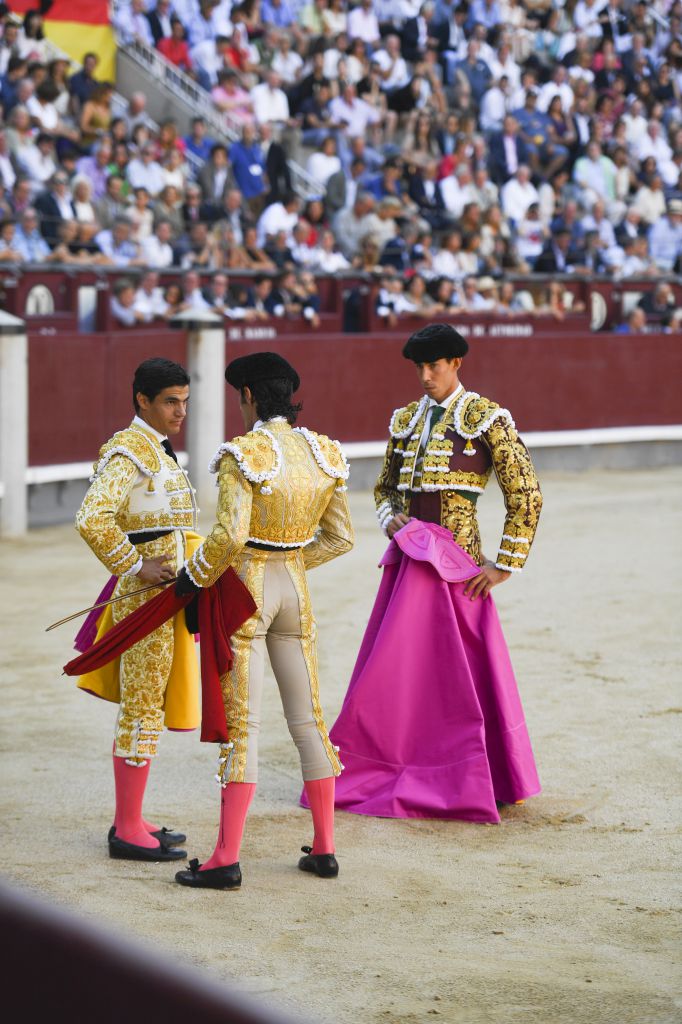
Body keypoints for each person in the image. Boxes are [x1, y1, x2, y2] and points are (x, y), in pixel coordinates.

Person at [328, 323, 542, 823]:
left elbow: (525, 492)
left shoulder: (486, 418)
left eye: (435, 366)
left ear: (456, 365)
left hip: (460, 569)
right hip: (408, 565)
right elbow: (383, 490)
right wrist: (390, 518)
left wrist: (504, 565)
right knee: (403, 672)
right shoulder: (405, 420)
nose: (425, 376)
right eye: (419, 368)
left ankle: (482, 776)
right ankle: (407, 764)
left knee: (461, 678)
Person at [173, 352, 354, 890]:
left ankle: (225, 857)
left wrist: (194, 578)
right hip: (294, 589)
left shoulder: (242, 454)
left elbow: (228, 536)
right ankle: (324, 848)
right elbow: (341, 538)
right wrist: (292, 560)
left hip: (248, 590)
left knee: (244, 726)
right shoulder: (324, 452)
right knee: (308, 718)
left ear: (248, 395)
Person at [75, 358, 201, 862]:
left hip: (164, 596)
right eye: (171, 401)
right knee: (143, 703)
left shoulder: (156, 450)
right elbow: (92, 517)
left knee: (149, 699)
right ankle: (126, 827)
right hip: (144, 598)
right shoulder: (131, 452)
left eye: (185, 401)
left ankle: (134, 814)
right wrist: (133, 563)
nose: (181, 411)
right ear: (142, 400)